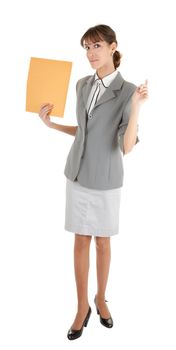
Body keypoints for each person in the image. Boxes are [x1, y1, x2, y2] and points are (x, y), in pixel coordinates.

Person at [38, 24, 148, 340]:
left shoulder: (128, 92)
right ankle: (81, 306)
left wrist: (136, 109)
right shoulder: (82, 85)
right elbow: (85, 132)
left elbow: (126, 146)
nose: (91, 53)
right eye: (86, 47)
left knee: (102, 241)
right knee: (80, 240)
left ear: (113, 47)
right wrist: (52, 125)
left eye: (97, 46)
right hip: (77, 173)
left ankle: (101, 298)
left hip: (107, 178)